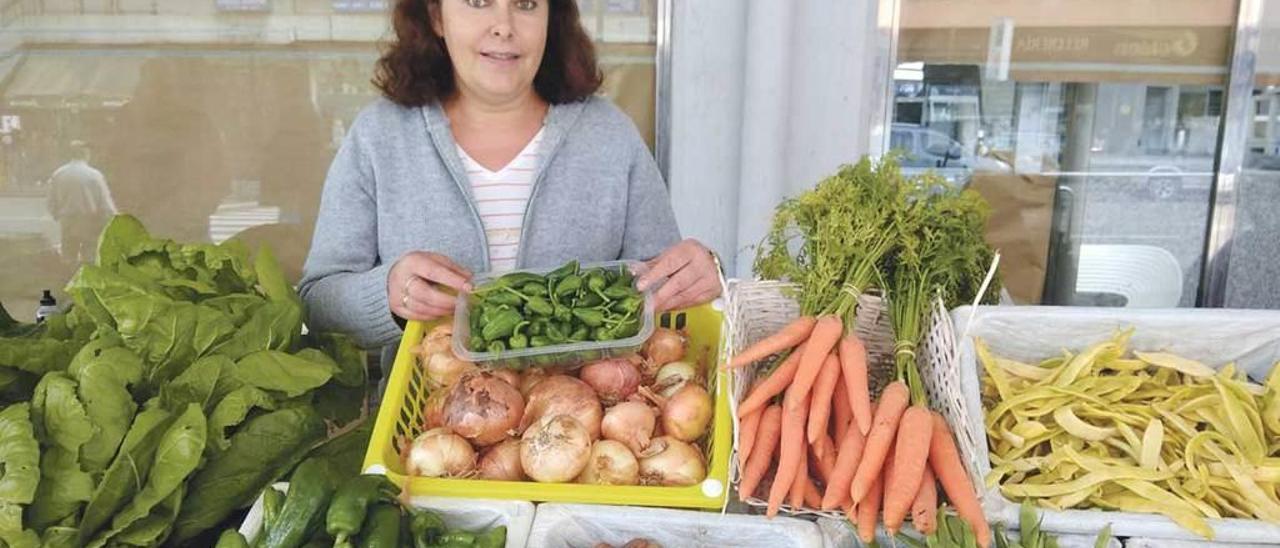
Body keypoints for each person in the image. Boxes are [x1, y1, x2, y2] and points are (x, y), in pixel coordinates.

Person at [299, 0, 722, 373]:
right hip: (429, 431)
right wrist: (387, 294)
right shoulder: (379, 136)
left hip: (589, 434)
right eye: (478, 2)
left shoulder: (610, 135)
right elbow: (319, 300)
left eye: (525, 4)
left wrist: (699, 273)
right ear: (436, 16)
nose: (504, 25)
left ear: (550, 17)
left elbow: (663, 289)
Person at [47, 141, 116, 264]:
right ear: (86, 154)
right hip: (89, 220)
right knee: (89, 253)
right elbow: (105, 202)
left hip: (67, 220)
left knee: (68, 253)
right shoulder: (94, 175)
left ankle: (68, 278)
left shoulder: (59, 174)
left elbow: (51, 200)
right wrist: (113, 217)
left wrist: (56, 214)